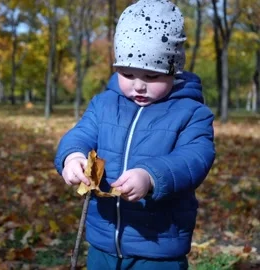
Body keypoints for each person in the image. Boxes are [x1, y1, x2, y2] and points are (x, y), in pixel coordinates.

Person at [54, 0, 216, 269]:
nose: (139, 85)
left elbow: (195, 158)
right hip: (103, 240)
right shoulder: (104, 104)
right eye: (127, 73)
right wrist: (72, 157)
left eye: (152, 76)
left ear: (174, 70)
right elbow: (81, 134)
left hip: (158, 245)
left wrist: (151, 176)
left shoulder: (190, 112)